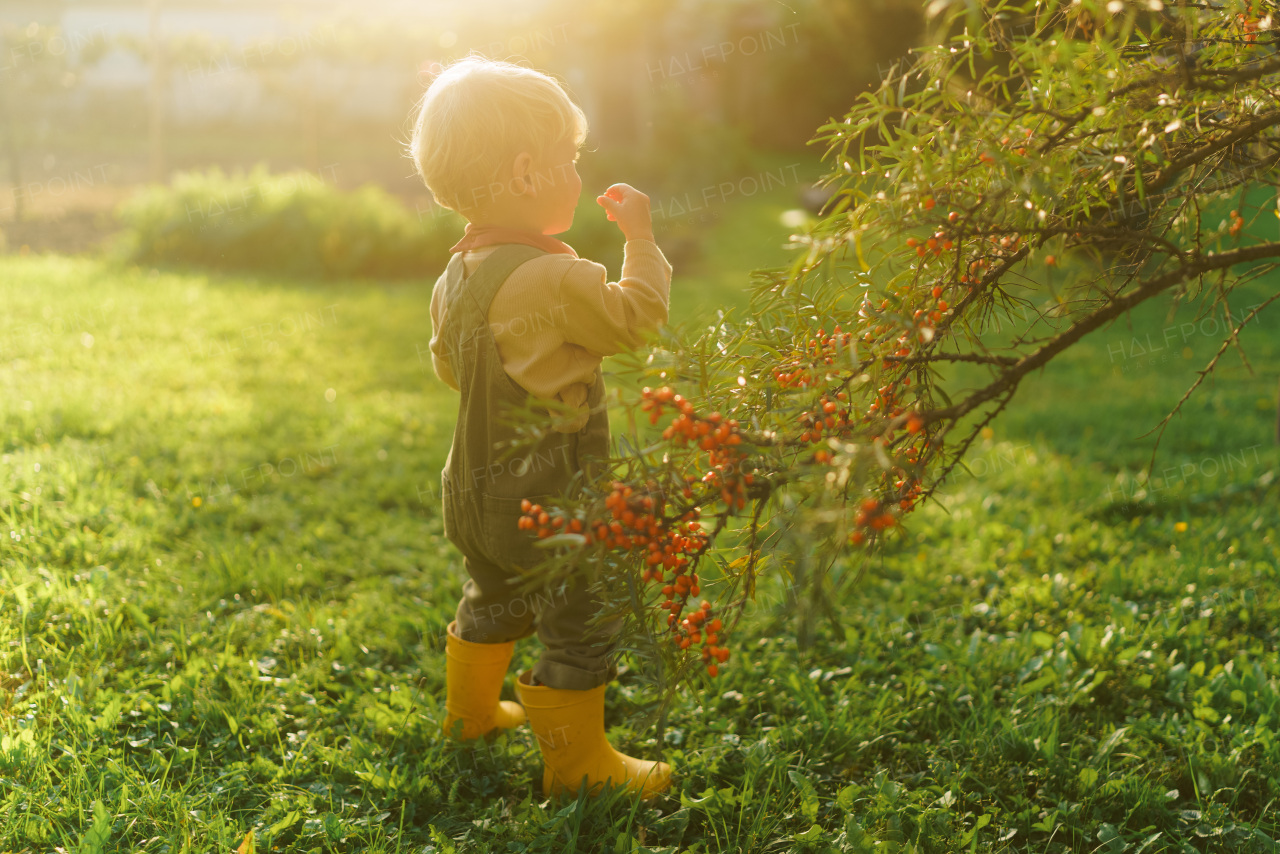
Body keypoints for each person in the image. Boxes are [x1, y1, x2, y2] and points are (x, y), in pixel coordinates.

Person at [407, 54, 674, 800]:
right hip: (547, 499)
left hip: (470, 492)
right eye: (570, 160)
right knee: (578, 611)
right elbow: (637, 318)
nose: (579, 175)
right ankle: (578, 765)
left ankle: (470, 714)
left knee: (492, 590)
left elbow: (450, 370)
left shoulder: (454, 275)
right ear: (527, 174)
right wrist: (642, 239)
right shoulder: (557, 277)